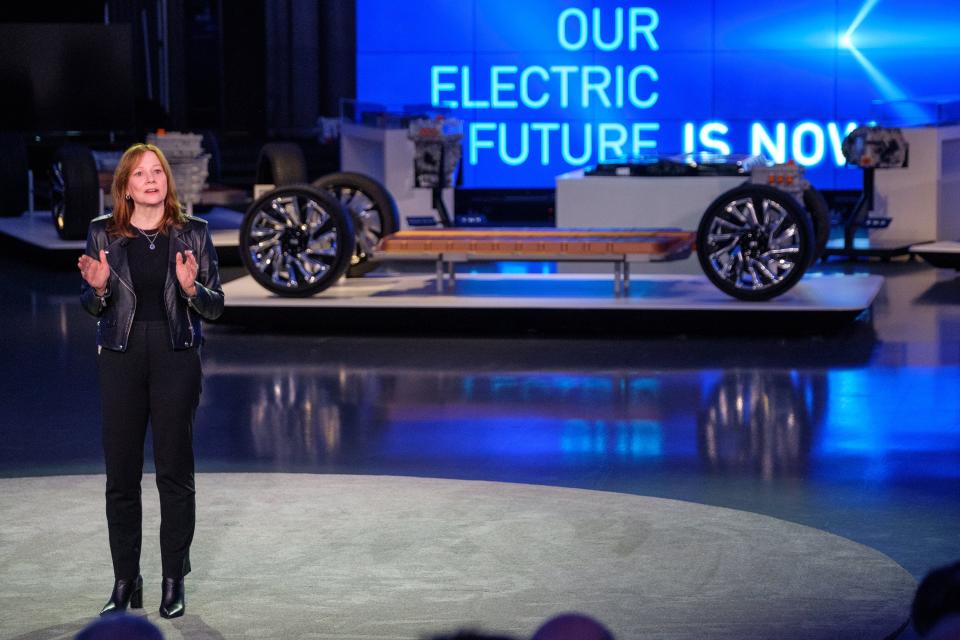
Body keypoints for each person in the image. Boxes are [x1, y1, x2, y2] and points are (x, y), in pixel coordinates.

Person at [78, 142, 224, 619]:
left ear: (167, 181)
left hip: (175, 354)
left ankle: (172, 579)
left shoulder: (194, 233)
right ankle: (126, 581)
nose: (150, 179)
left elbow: (215, 305)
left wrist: (191, 289)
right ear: (125, 186)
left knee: (173, 472)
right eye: (139, 173)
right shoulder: (102, 234)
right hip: (119, 356)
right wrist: (98, 288)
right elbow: (92, 305)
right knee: (121, 474)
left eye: (157, 171)